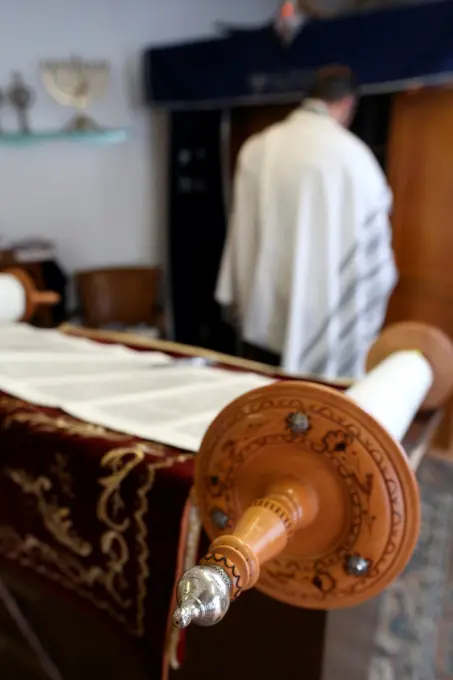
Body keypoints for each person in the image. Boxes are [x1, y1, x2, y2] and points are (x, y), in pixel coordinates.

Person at [215, 65, 397, 379]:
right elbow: (373, 257)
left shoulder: (258, 147)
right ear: (346, 104)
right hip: (324, 315)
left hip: (262, 316)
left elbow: (242, 235)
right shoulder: (354, 157)